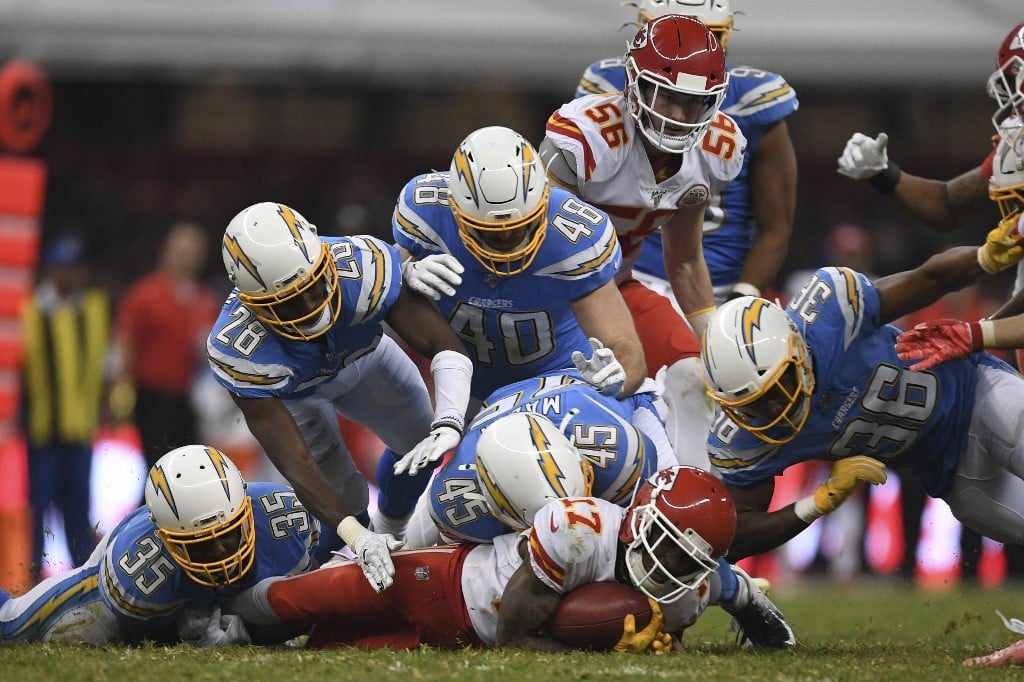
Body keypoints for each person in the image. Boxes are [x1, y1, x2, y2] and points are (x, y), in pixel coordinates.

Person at [697, 228, 1024, 564]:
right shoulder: (745, 439)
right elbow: (735, 538)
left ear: (795, 347)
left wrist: (983, 257)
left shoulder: (829, 314)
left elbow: (930, 278)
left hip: (976, 389)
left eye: (781, 383)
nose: (775, 406)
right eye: (754, 404)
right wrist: (816, 503)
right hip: (949, 470)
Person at [226, 465, 796, 651]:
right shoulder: (581, 528)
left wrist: (757, 614)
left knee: (327, 647)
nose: (673, 564)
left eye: (688, 558)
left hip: (455, 639)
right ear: (642, 518)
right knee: (299, 599)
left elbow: (732, 588)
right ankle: (225, 611)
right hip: (445, 585)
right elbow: (514, 630)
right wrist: (588, 644)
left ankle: (240, 636)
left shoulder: (689, 592)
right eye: (668, 541)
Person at [207, 201, 473, 591]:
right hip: (298, 395)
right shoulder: (239, 351)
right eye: (288, 301)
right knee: (343, 498)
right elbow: (296, 465)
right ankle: (329, 586)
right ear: (252, 302)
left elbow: (442, 342)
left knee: (420, 436)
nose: (311, 305)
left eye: (314, 284)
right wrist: (358, 538)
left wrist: (449, 418)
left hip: (365, 359)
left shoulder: (361, 265)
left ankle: (392, 530)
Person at [540, 14, 746, 468]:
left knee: (695, 376)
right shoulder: (586, 137)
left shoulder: (713, 152)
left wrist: (714, 339)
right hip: (547, 294)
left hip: (621, 288)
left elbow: (687, 259)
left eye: (692, 104)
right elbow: (541, 243)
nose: (677, 115)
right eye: (667, 96)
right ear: (634, 84)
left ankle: (691, 497)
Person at [393, 124, 646, 404]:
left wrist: (613, 380)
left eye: (520, 226)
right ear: (455, 210)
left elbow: (626, 349)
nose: (507, 238)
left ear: (544, 201)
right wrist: (402, 275)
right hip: (462, 385)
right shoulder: (428, 215)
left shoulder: (573, 238)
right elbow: (374, 296)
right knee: (411, 441)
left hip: (557, 384)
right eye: (489, 231)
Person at [578, 0, 798, 306]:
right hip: (626, 275)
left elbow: (775, 227)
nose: (691, 51)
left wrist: (742, 297)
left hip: (718, 285)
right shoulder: (608, 89)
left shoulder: (753, 102)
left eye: (708, 35)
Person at [0, 445, 317, 646]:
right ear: (170, 542)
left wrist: (258, 630)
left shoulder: (288, 520)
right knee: (11, 624)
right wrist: (178, 630)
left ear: (246, 513)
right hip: (130, 568)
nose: (220, 551)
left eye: (228, 534)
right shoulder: (139, 574)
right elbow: (136, 632)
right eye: (201, 544)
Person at [404, 372, 671, 547]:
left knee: (673, 516)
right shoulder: (456, 500)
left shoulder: (617, 455)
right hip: (496, 413)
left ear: (584, 466)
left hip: (596, 398)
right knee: (404, 553)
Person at [835, 21, 1024, 234]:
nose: (1013, 99)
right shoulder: (1018, 143)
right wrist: (883, 172)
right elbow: (948, 206)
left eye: (1013, 80)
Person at [20, 235, 108, 576]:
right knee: (37, 510)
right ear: (51, 270)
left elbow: (104, 365)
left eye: (76, 268)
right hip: (40, 430)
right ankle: (30, 582)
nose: (71, 276)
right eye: (64, 268)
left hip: (80, 431)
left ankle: (83, 582)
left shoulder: (93, 308)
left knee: (78, 510)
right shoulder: (29, 312)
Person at [112, 221, 221, 480]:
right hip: (151, 398)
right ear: (167, 251)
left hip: (190, 400)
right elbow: (126, 345)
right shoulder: (144, 295)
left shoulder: (206, 300)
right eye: (182, 250)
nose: (187, 257)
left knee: (187, 471)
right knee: (158, 470)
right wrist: (118, 398)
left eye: (194, 251)